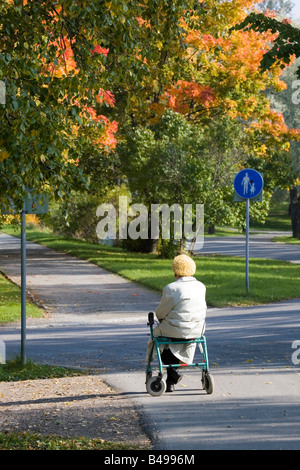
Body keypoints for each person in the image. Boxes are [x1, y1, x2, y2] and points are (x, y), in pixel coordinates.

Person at [147, 254, 207, 392]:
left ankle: (173, 374)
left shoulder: (171, 288)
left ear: (175, 271)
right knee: (177, 338)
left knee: (158, 339)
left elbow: (160, 313)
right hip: (196, 329)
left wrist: (161, 319)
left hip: (175, 329)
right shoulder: (201, 287)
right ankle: (170, 380)